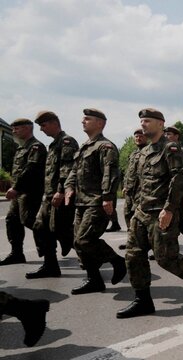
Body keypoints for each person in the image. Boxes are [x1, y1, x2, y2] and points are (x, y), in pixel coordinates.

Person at [117, 108, 183, 319]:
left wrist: (169, 209)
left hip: (161, 213)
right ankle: (143, 300)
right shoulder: (142, 153)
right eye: (141, 121)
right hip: (141, 213)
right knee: (133, 256)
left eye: (147, 121)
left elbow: (179, 180)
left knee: (165, 259)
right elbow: (140, 184)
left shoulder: (170, 148)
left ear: (161, 124)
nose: (143, 125)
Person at [64, 108, 126, 294]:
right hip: (81, 203)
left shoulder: (105, 146)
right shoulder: (84, 147)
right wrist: (68, 187)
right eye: (83, 119)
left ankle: (117, 261)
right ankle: (94, 280)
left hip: (97, 202)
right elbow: (74, 171)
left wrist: (107, 197)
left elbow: (110, 173)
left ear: (100, 123)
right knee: (78, 242)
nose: (83, 121)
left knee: (84, 240)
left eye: (87, 119)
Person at [28, 111, 79, 278]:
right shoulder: (53, 144)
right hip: (48, 197)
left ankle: (101, 257)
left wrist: (60, 191)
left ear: (54, 123)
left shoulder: (67, 142)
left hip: (59, 196)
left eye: (43, 125)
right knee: (41, 228)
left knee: (62, 232)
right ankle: (50, 265)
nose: (41, 130)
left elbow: (68, 169)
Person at [0, 119, 47, 267]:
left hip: (30, 192)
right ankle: (17, 253)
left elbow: (30, 170)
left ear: (27, 128)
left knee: (30, 221)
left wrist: (16, 187)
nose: (13, 131)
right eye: (13, 129)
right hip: (19, 192)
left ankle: (52, 250)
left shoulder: (36, 147)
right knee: (12, 220)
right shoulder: (21, 148)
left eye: (16, 129)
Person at [165, 125, 183, 239]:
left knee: (176, 218)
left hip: (178, 190)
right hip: (165, 191)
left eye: (169, 134)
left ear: (176, 136)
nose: (166, 136)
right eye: (165, 134)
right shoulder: (162, 150)